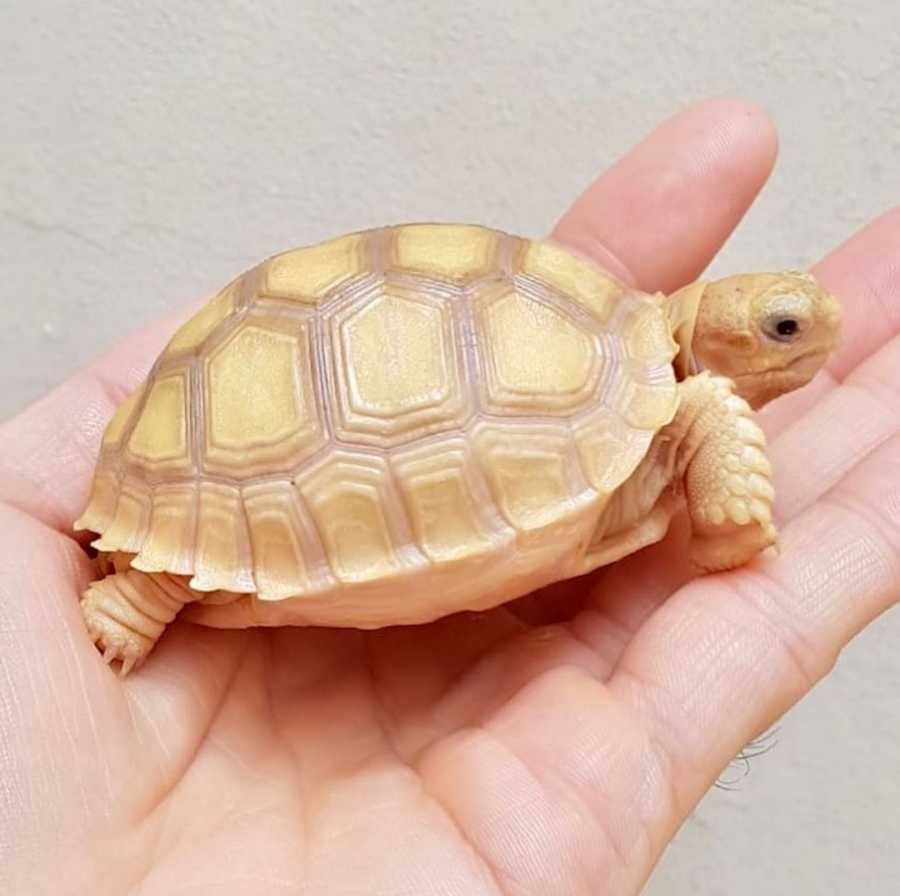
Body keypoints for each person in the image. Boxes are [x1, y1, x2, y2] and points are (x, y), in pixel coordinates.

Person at [1, 97, 896, 896]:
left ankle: (165, 574)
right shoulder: (681, 399)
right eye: (782, 332)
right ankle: (159, 580)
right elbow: (713, 443)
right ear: (711, 335)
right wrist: (733, 535)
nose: (803, 347)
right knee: (149, 590)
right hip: (242, 477)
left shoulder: (606, 344)